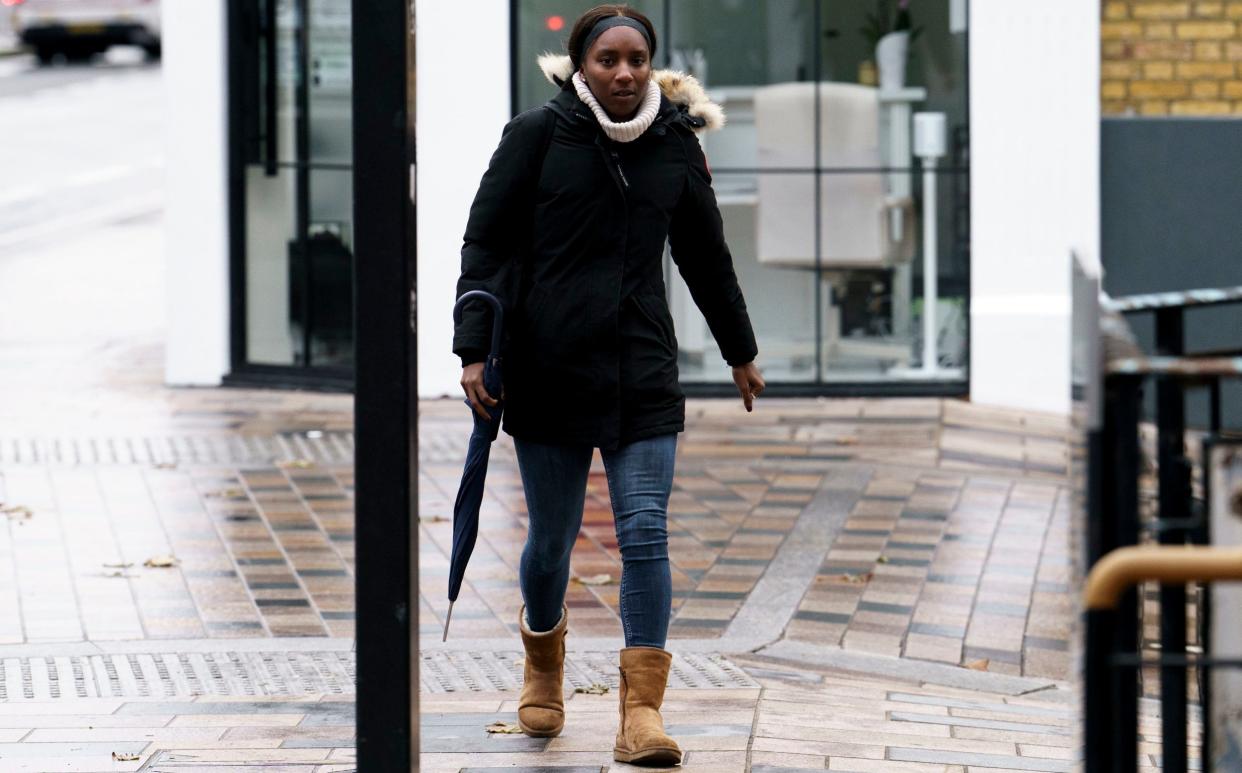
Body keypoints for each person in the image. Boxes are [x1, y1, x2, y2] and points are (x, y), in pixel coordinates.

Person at [452, 4, 764, 766]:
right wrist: (471, 351)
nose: (623, 73)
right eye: (607, 60)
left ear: (653, 66)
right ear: (580, 65)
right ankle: (543, 664)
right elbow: (485, 240)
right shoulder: (536, 135)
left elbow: (705, 255)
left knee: (646, 531)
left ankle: (642, 716)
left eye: (635, 59)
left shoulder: (674, 145)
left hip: (643, 368)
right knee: (553, 538)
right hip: (548, 365)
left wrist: (740, 349)